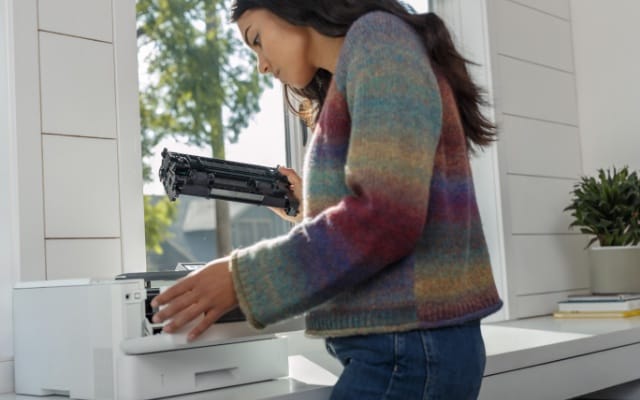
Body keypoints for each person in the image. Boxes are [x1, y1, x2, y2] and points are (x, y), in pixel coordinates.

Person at [151, 1, 503, 399]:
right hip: (408, 350)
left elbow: (387, 219)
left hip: (408, 353)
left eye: (257, 41)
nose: (261, 65)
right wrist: (311, 212)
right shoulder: (363, 60)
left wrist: (240, 279)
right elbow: (393, 210)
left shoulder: (379, 41)